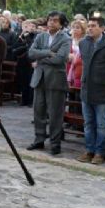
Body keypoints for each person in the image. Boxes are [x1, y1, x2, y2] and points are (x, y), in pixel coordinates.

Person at [76, 16, 105, 165]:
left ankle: (100, 152)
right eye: (89, 25)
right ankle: (89, 149)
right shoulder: (83, 43)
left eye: (93, 26)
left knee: (102, 124)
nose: (90, 28)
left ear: (102, 28)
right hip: (86, 89)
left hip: (103, 91)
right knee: (88, 123)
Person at [26, 12, 71, 155]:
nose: (51, 22)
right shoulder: (41, 36)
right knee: (38, 111)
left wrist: (40, 58)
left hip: (55, 81)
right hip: (39, 79)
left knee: (55, 114)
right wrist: (48, 53)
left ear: (61, 24)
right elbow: (31, 53)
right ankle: (39, 140)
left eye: (55, 21)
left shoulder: (66, 38)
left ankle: (55, 144)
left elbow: (60, 59)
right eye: (50, 20)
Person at [13, 20, 37, 107]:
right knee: (23, 81)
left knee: (30, 81)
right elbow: (15, 47)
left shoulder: (36, 36)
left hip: (31, 61)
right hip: (22, 61)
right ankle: (24, 99)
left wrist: (26, 41)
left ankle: (30, 100)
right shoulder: (22, 35)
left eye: (33, 26)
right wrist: (22, 38)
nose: (31, 28)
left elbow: (31, 46)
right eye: (29, 26)